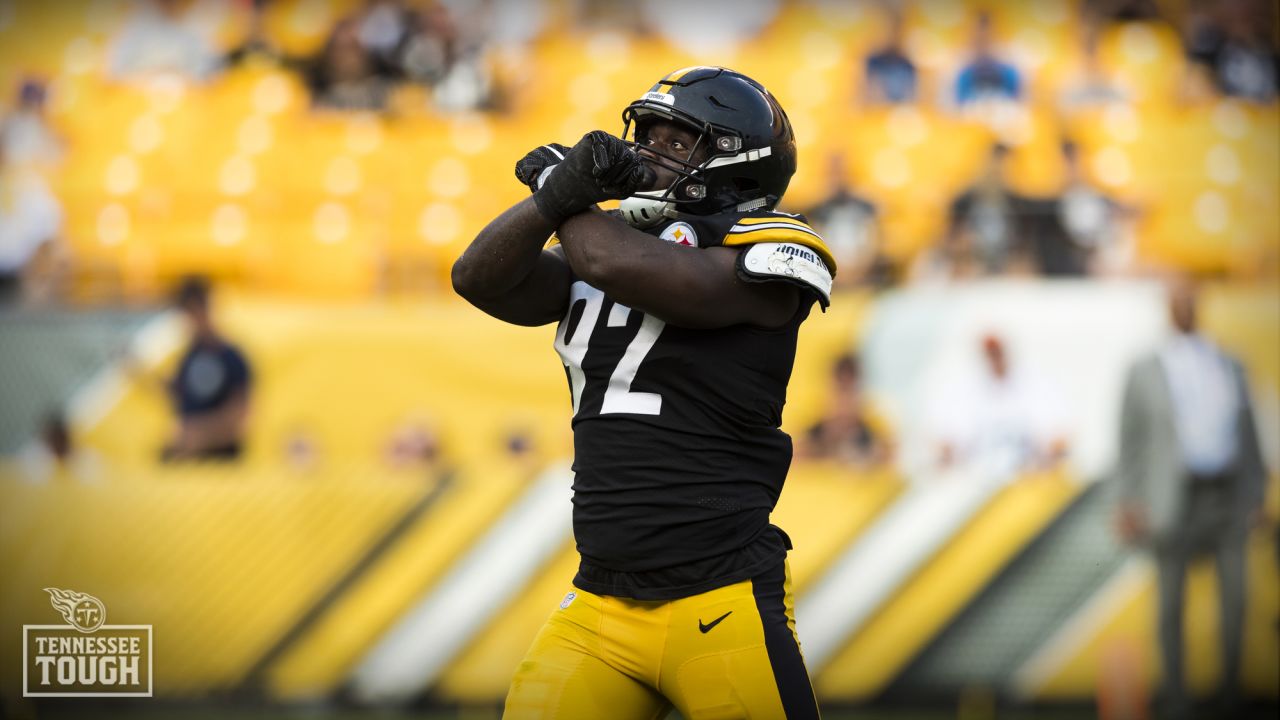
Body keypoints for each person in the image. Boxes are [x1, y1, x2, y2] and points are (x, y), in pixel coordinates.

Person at [452, 66, 832, 720]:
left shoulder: (776, 247)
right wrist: (551, 201)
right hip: (599, 606)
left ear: (737, 163)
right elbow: (477, 278)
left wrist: (560, 190)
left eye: (678, 141)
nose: (649, 154)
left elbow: (621, 266)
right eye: (648, 134)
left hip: (720, 598)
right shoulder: (609, 238)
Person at [1114, 277, 1267, 720]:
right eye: (1176, 301)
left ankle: (1231, 691)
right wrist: (1128, 500)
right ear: (1167, 309)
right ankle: (1177, 696)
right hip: (1173, 495)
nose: (1184, 308)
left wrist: (1256, 493)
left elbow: (1250, 435)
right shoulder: (1146, 367)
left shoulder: (1227, 362)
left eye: (1190, 301)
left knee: (1237, 598)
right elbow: (1130, 440)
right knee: (1170, 601)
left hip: (1225, 493)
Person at [926, 333, 1069, 476]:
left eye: (997, 353)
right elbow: (948, 440)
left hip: (1028, 475)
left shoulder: (1035, 385)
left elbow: (1058, 435)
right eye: (990, 354)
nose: (995, 359)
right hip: (982, 479)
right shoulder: (966, 392)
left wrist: (1049, 454)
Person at [162, 276, 252, 461]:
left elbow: (240, 418)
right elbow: (178, 396)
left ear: (202, 310)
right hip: (189, 459)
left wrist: (198, 435)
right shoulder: (188, 357)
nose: (186, 323)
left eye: (189, 314)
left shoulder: (232, 358)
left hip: (222, 463)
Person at [801, 353, 891, 468]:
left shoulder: (866, 416)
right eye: (841, 387)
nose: (843, 407)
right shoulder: (821, 411)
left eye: (849, 393)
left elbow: (885, 451)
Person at [953, 12, 1022, 108]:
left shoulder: (1009, 71)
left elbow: (1017, 103)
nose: (983, 44)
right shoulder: (963, 72)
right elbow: (957, 105)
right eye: (979, 39)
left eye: (987, 38)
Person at [862, 11, 918, 106]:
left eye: (896, 30)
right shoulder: (872, 61)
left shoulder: (909, 62)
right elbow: (869, 97)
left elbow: (913, 98)